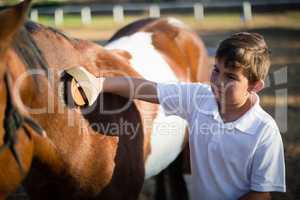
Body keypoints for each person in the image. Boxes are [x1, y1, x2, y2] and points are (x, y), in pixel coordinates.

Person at [66, 32, 286, 200]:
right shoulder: (200, 98)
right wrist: (99, 83)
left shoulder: (264, 132)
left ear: (255, 86)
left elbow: (261, 195)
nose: (218, 81)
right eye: (216, 70)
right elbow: (147, 89)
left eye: (231, 77)